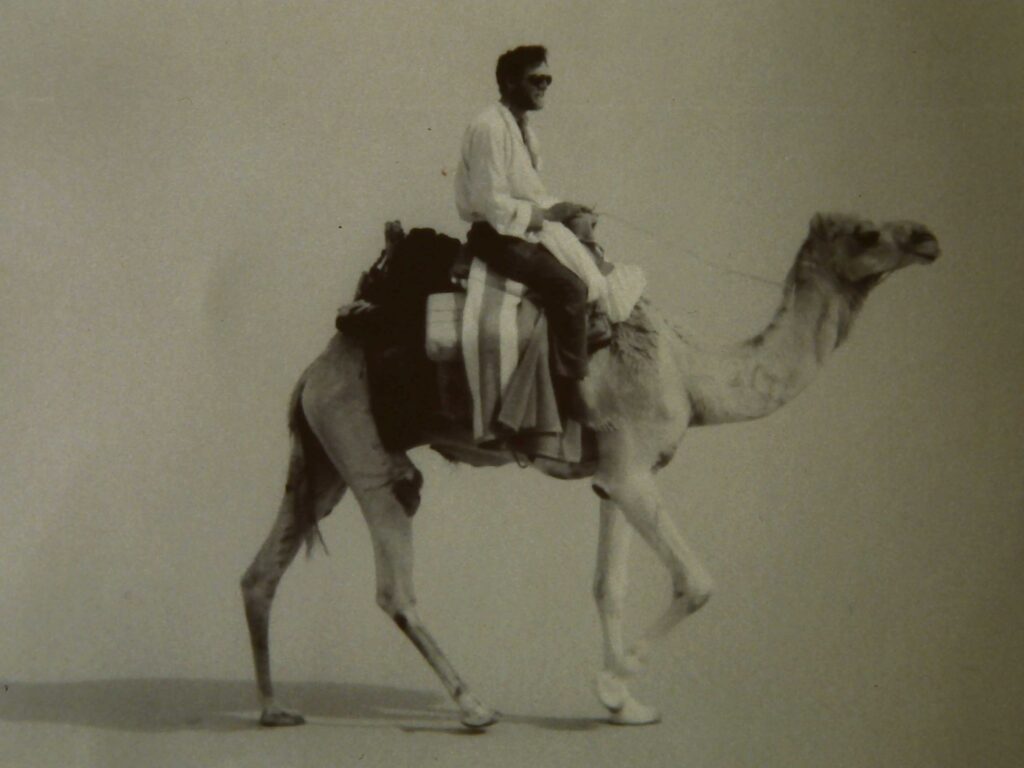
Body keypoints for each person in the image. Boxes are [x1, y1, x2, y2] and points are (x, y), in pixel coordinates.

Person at [454, 45, 602, 422]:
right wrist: (550, 214)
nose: (544, 87)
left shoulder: (523, 130)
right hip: (498, 236)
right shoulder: (489, 127)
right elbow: (493, 204)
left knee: (592, 258)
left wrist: (566, 209)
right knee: (570, 288)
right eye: (537, 80)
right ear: (509, 81)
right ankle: (572, 391)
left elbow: (530, 194)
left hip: (521, 228)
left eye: (548, 80)